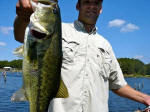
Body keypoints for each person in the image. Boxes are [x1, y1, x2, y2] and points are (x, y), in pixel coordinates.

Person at [14, 0, 150, 112]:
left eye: (96, 3)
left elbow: (118, 84)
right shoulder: (56, 29)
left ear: (100, 8)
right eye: (87, 2)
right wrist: (23, 17)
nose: (92, 6)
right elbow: (20, 36)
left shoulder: (106, 45)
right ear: (78, 6)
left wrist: (145, 98)